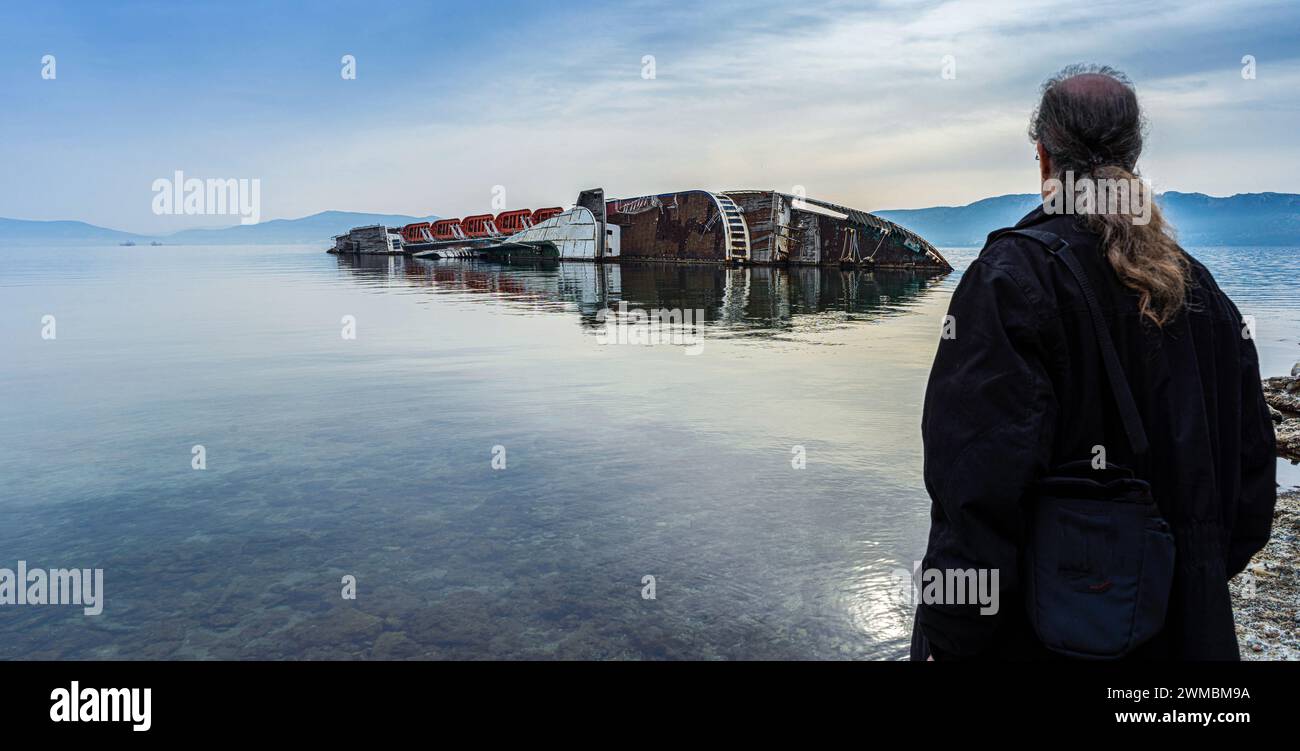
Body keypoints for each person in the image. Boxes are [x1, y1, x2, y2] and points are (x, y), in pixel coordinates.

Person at [911, 64, 1277, 660]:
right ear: (1133, 158)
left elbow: (974, 496)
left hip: (1044, 642)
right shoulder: (1204, 293)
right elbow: (1252, 493)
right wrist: (1176, 584)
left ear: (1043, 160)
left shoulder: (1009, 282)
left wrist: (952, 638)